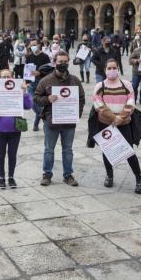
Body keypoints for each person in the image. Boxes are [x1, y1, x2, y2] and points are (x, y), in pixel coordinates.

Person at [91, 59, 141, 193]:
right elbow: (98, 105)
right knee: (107, 150)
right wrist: (113, 117)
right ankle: (109, 175)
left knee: (129, 151)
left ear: (118, 69)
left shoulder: (126, 84)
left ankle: (139, 179)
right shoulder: (100, 86)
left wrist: (121, 117)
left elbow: (131, 101)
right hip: (106, 123)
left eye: (114, 67)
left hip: (124, 122)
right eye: (109, 68)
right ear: (105, 70)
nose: (112, 70)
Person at [34, 51, 85, 186]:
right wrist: (47, 99)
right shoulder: (46, 80)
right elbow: (36, 98)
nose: (63, 64)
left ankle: (68, 175)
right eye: (60, 61)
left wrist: (76, 114)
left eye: (65, 61)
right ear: (54, 62)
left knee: (68, 150)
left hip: (69, 122)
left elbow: (81, 98)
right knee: (49, 149)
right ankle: (47, 174)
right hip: (52, 121)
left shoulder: (75, 80)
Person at [0, 69, 32, 188]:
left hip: (15, 129)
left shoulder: (18, 91)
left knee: (12, 155)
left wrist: (24, 92)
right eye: (3, 77)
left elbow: (28, 106)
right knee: (0, 155)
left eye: (8, 77)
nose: (5, 80)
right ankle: (1, 177)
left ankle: (11, 177)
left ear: (12, 78)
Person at [25, 40, 51, 131]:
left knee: (39, 103)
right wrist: (26, 82)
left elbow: (49, 70)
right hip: (31, 83)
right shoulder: (29, 57)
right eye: (31, 45)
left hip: (42, 83)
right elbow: (26, 70)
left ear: (38, 45)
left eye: (34, 45)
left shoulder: (45, 56)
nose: (33, 47)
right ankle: (45, 117)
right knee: (32, 101)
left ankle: (36, 125)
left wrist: (39, 73)